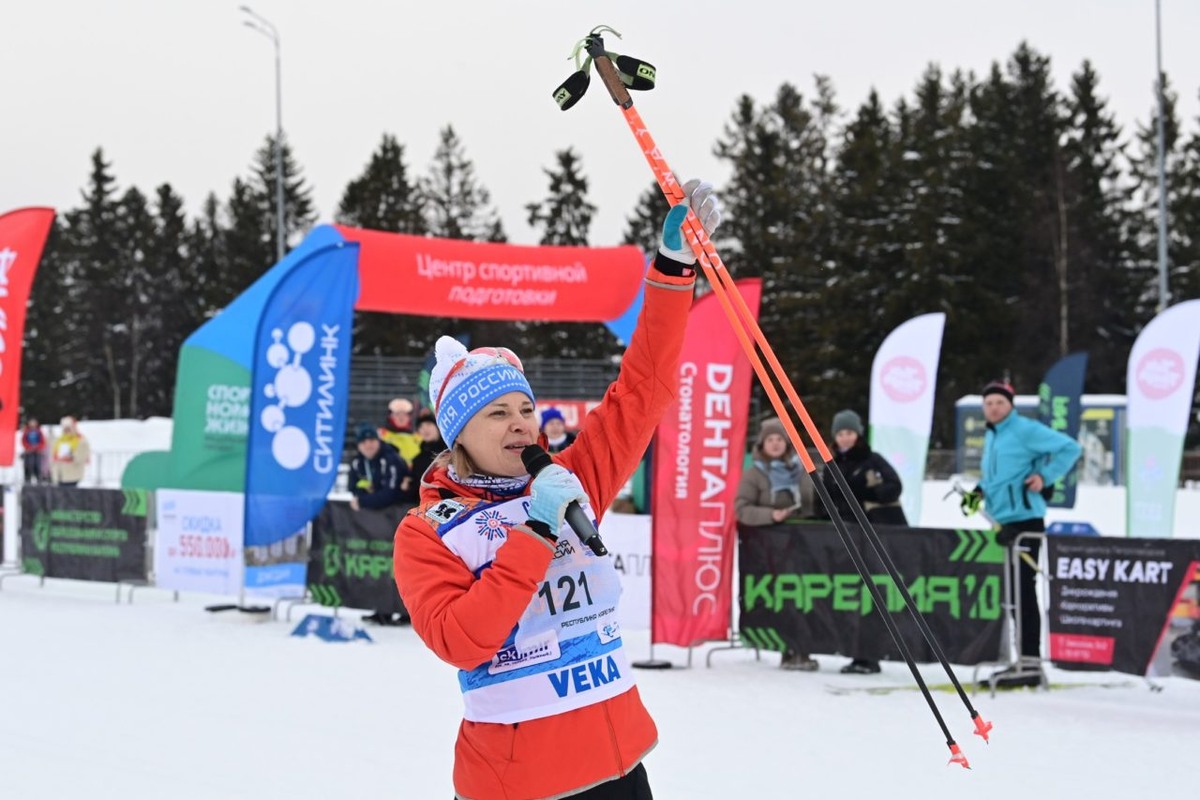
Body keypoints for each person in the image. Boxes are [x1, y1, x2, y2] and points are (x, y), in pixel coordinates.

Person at [393, 178, 720, 800]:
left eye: (525, 408)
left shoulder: (572, 478)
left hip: (620, 766)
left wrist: (675, 268)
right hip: (520, 784)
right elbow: (461, 640)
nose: (520, 422)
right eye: (497, 413)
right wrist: (538, 530)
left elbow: (643, 389)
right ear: (458, 434)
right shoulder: (427, 532)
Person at [963, 379, 1082, 686]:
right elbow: (997, 477)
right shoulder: (993, 435)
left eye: (999, 403)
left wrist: (1045, 476)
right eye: (988, 403)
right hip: (1001, 523)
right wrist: (977, 493)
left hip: (1025, 521)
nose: (993, 408)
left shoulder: (1025, 430)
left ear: (1011, 405)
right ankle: (1022, 661)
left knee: (1024, 593)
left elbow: (1071, 448)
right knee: (1013, 594)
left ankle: (1030, 664)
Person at [820, 409, 908, 675]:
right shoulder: (831, 465)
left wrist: (872, 492)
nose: (845, 438)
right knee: (850, 596)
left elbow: (894, 486)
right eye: (840, 433)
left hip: (875, 535)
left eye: (849, 432)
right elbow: (826, 499)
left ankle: (870, 654)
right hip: (844, 538)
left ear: (858, 434)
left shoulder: (872, 459)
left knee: (873, 595)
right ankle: (855, 651)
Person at [735, 416, 819, 671]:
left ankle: (805, 648)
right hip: (769, 548)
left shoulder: (802, 469)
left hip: (804, 545)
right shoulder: (754, 474)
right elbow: (741, 509)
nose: (775, 444)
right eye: (770, 439)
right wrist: (771, 515)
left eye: (779, 439)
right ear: (762, 444)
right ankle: (787, 649)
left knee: (807, 597)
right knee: (782, 598)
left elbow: (817, 499)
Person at [347, 423, 411, 512]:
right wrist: (364, 494)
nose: (368, 445)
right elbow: (352, 487)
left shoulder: (391, 459)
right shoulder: (357, 462)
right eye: (363, 442)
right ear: (358, 446)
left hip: (397, 512)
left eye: (372, 441)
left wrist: (362, 501)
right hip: (373, 513)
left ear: (379, 441)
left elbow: (391, 494)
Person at [407, 410, 447, 496]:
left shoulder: (450, 451)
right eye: (420, 427)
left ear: (438, 427)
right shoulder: (417, 460)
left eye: (428, 424)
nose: (425, 429)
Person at [379, 397, 421, 467]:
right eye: (397, 414)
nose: (401, 417)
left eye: (404, 414)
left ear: (409, 417)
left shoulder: (419, 437)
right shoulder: (381, 435)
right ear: (390, 416)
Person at [49, 416, 90, 487]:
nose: (66, 431)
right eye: (65, 428)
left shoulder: (80, 440)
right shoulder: (59, 440)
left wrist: (71, 457)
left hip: (73, 474)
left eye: (68, 428)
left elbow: (82, 456)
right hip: (59, 474)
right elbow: (54, 454)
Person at [20, 417, 47, 485]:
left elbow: (42, 441)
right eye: (31, 422)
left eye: (34, 422)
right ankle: (27, 480)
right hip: (29, 452)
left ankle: (39, 480)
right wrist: (28, 447)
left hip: (37, 452)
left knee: (37, 466)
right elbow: (23, 441)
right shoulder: (26, 431)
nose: (32, 424)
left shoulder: (39, 431)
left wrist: (38, 447)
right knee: (28, 466)